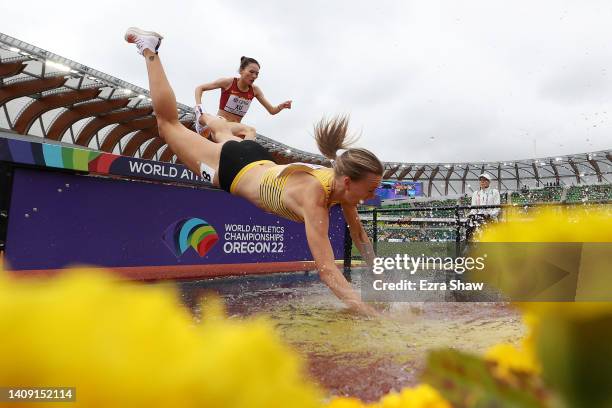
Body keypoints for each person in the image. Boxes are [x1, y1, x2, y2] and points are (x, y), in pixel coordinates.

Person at [125, 28, 381, 316]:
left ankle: (209, 124)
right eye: (370, 190)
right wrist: (369, 312)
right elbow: (327, 271)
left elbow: (360, 237)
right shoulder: (315, 198)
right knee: (167, 124)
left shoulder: (341, 186)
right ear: (348, 181)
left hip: (257, 156)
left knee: (232, 130)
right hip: (235, 168)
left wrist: (380, 279)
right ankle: (150, 50)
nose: (373, 196)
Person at [193, 56, 292, 141]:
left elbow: (272, 110)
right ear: (241, 71)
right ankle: (204, 123)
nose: (254, 76)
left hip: (235, 130)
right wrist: (199, 109)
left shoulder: (255, 90)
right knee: (250, 131)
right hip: (220, 126)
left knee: (244, 139)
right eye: (251, 72)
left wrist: (281, 106)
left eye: (257, 74)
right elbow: (199, 88)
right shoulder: (228, 82)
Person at [465, 173, 500, 241]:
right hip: (479, 219)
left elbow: (497, 208)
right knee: (469, 227)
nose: (482, 182)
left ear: (489, 182)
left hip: (490, 219)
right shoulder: (476, 193)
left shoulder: (494, 192)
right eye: (481, 180)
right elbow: (474, 209)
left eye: (485, 180)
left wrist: (490, 215)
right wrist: (471, 215)